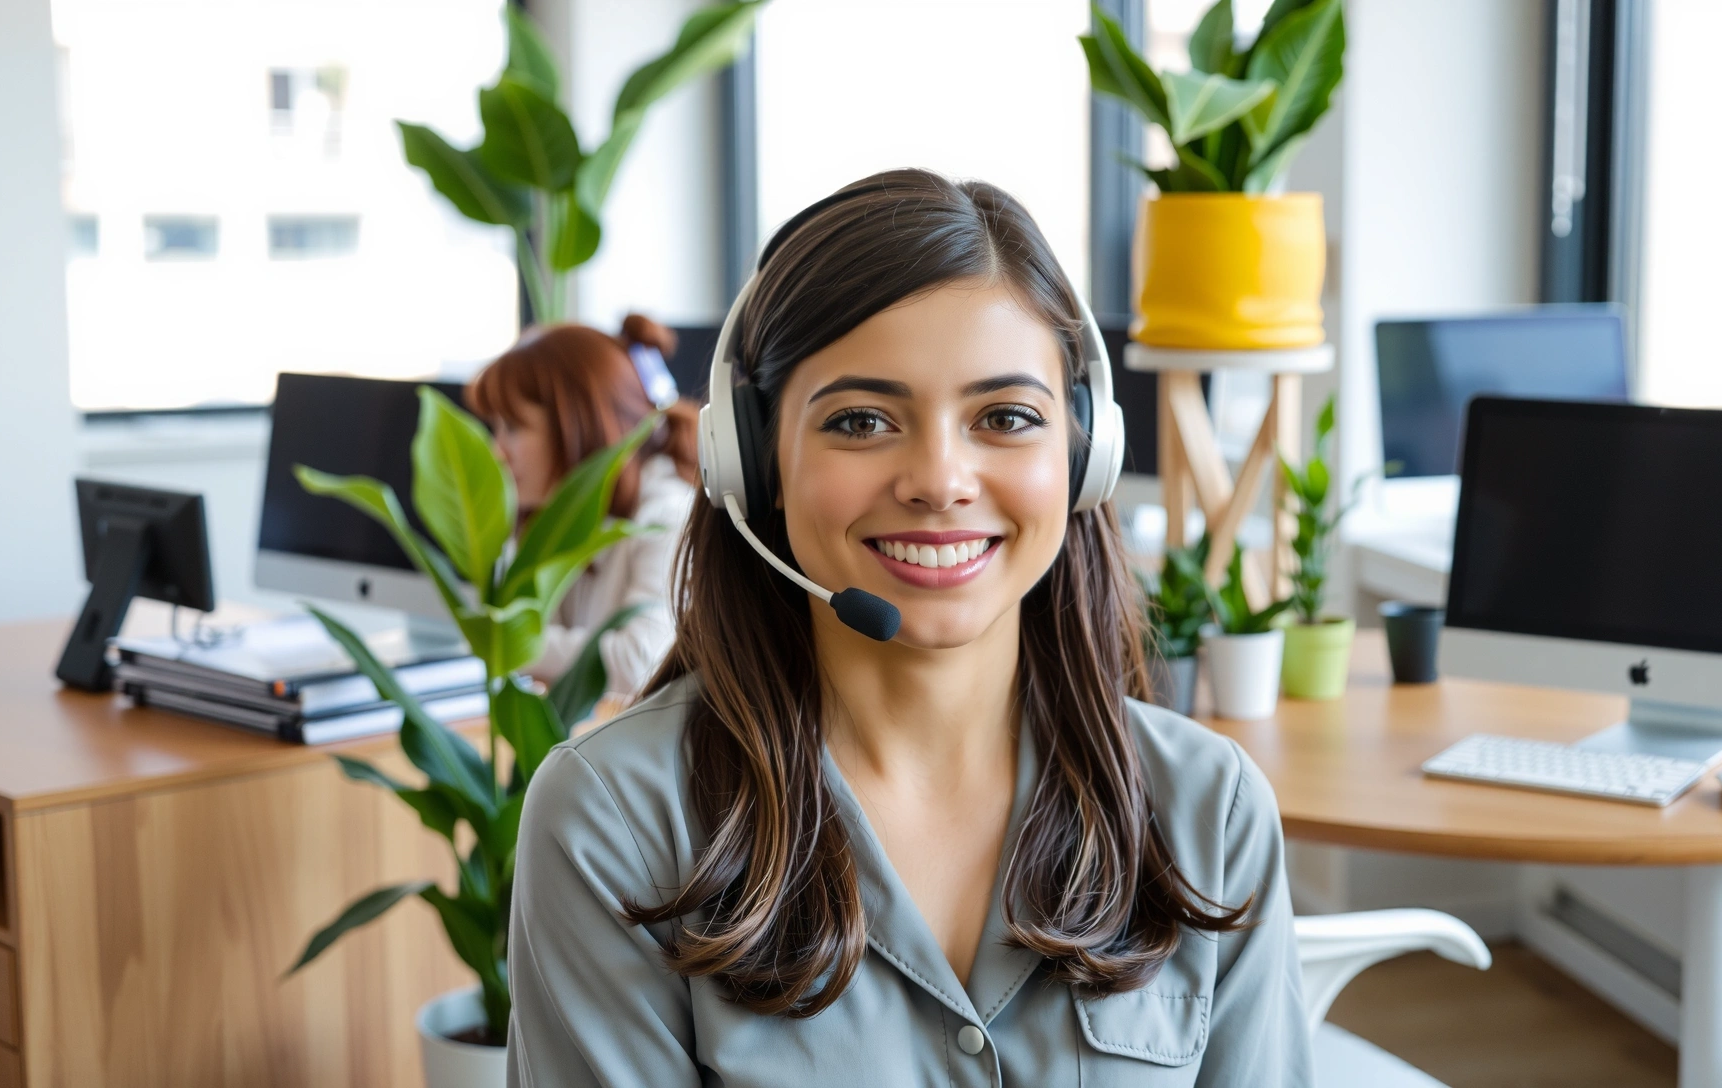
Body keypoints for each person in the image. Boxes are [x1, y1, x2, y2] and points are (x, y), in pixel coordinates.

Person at [506, 170, 1311, 1086]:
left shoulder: (1211, 813)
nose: (940, 478)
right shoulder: (613, 824)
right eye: (860, 420)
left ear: (1085, 457)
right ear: (754, 461)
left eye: (1006, 417)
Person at [466, 317, 698, 696]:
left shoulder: (667, 515)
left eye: (513, 427)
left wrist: (506, 644)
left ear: (575, 426)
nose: (497, 451)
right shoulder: (548, 522)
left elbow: (639, 662)